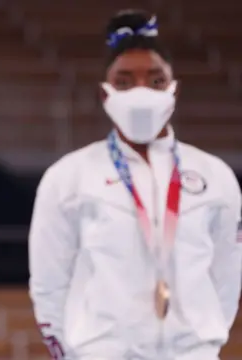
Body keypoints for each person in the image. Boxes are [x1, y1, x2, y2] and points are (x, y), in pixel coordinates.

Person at [28, 10, 242, 360]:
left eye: (156, 81)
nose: (141, 92)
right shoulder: (68, 176)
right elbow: (49, 282)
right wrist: (70, 350)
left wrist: (204, 340)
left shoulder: (214, 176)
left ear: (174, 90)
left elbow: (227, 276)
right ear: (105, 94)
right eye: (125, 81)